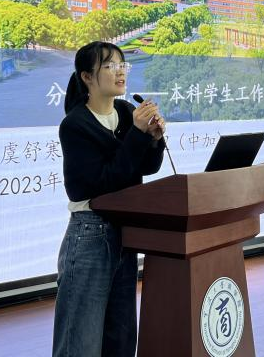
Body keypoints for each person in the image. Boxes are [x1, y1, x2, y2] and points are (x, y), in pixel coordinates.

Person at [52, 41, 165, 357]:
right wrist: (138, 135)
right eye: (109, 66)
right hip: (90, 234)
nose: (120, 71)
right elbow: (101, 183)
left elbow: (145, 167)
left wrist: (154, 139)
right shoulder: (76, 124)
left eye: (122, 64)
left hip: (125, 233)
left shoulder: (127, 113)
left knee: (121, 339)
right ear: (87, 77)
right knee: (80, 342)